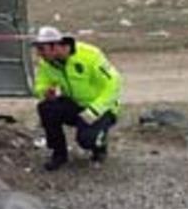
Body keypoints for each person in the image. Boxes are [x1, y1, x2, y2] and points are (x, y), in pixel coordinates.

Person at [31, 26, 122, 171]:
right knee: (47, 108)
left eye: (42, 49)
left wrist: (95, 110)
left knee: (86, 140)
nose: (39, 54)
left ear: (55, 46)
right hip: (75, 105)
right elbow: (40, 84)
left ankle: (99, 146)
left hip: (102, 108)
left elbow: (114, 83)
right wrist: (44, 92)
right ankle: (59, 154)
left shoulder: (90, 55)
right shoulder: (47, 63)